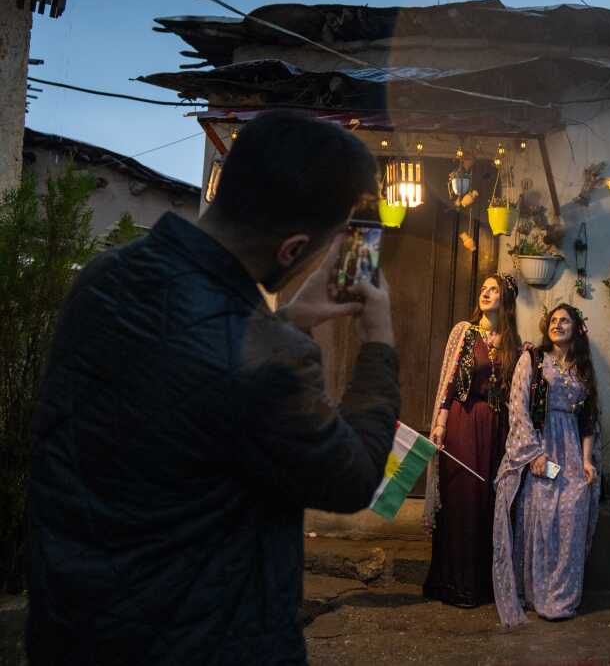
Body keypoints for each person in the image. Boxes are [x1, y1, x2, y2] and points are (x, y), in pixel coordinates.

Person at [26, 111, 400, 664]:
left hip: (75, 627)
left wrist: (290, 320)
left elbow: (194, 391)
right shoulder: (271, 361)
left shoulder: (104, 279)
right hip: (201, 640)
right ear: (292, 251)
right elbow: (354, 478)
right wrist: (379, 342)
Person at [492, 303, 600, 626]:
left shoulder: (583, 369)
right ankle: (538, 593)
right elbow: (518, 408)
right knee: (539, 512)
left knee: (572, 513)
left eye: (565, 320)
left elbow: (589, 418)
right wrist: (533, 454)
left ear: (576, 328)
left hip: (571, 450)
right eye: (553, 320)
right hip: (541, 446)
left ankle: (563, 596)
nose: (558, 324)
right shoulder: (533, 360)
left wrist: (586, 460)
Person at [422, 274, 523, 607]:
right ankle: (454, 584)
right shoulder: (465, 332)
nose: (486, 293)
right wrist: (440, 422)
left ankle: (482, 585)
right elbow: (449, 381)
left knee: (488, 503)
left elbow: (515, 390)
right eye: (483, 289)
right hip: (464, 423)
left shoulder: (513, 342)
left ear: (506, 299)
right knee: (462, 500)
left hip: (496, 429)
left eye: (493, 290)